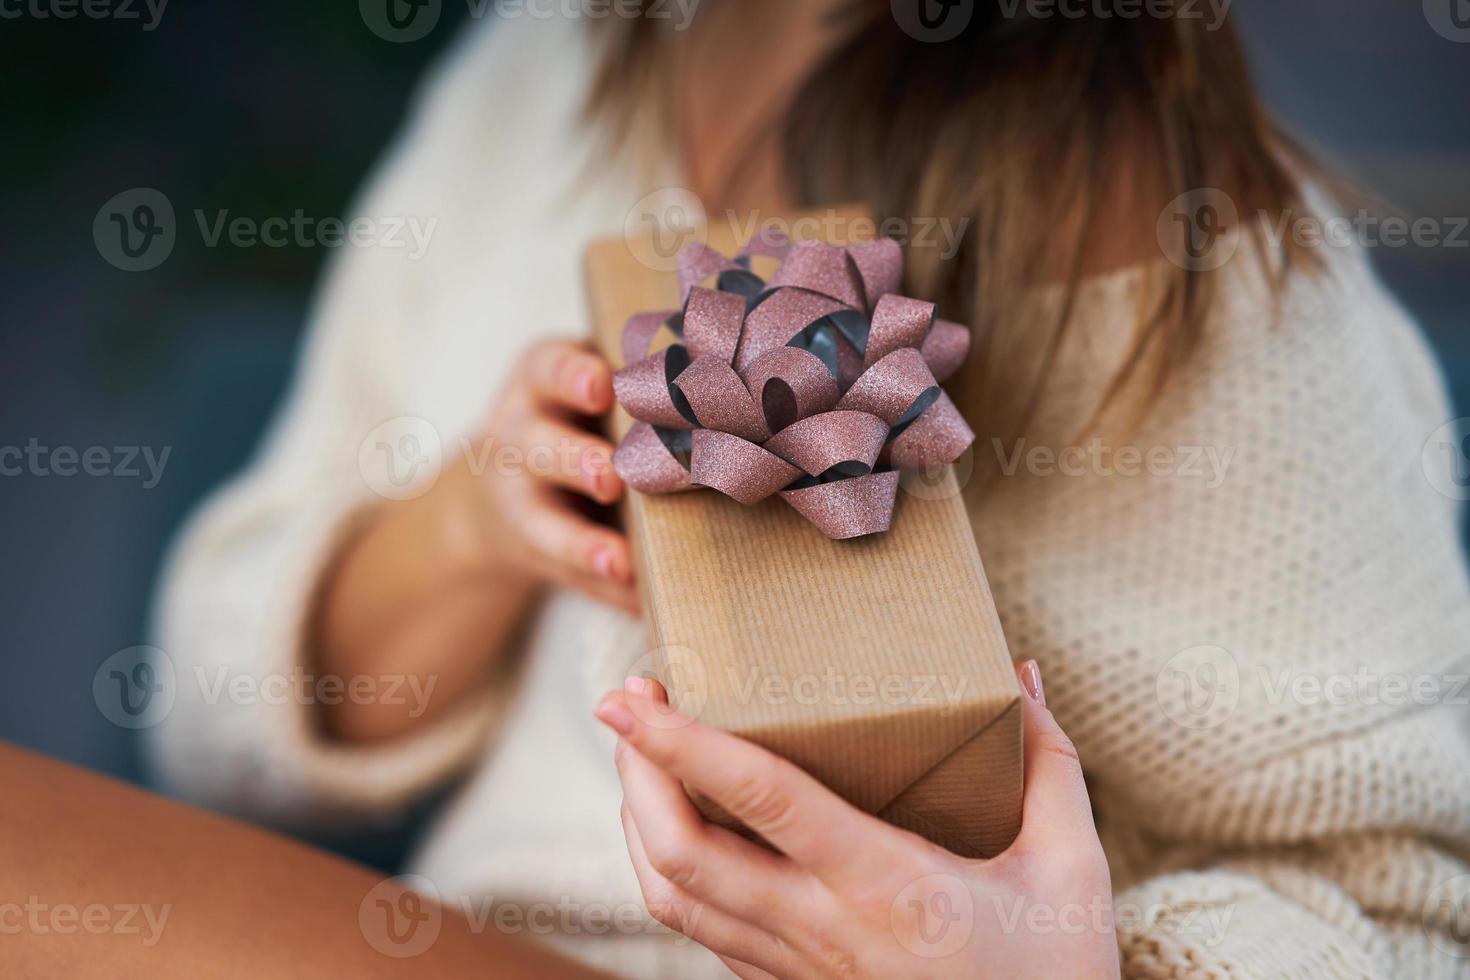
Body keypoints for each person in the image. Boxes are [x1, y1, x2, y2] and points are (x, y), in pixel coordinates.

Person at [150, 2, 1470, 977]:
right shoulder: (530, 71)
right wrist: (468, 526)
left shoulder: (1187, 248)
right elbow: (205, 722)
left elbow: (1417, 920)